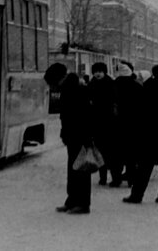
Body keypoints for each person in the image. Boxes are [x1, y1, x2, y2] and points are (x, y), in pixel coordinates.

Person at [123, 64, 158, 205]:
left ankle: (137, 195)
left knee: (144, 166)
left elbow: (139, 113)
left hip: (149, 135)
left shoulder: (147, 89)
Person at [44, 63, 93, 214]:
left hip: (79, 135)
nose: (53, 87)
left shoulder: (74, 89)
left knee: (80, 170)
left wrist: (82, 136)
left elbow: (77, 115)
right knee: (74, 169)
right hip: (75, 134)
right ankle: (72, 200)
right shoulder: (72, 86)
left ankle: (82, 204)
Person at [87, 62, 121, 187]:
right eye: (95, 71)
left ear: (105, 71)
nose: (98, 74)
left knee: (112, 153)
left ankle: (116, 178)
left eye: (100, 71)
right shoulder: (91, 85)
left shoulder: (111, 84)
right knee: (99, 152)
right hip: (96, 124)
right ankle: (103, 177)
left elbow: (115, 102)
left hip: (110, 124)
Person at [114, 61, 145, 188]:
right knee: (131, 152)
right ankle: (131, 177)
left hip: (117, 123)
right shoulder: (137, 86)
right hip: (133, 124)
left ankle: (116, 177)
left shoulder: (114, 85)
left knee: (117, 152)